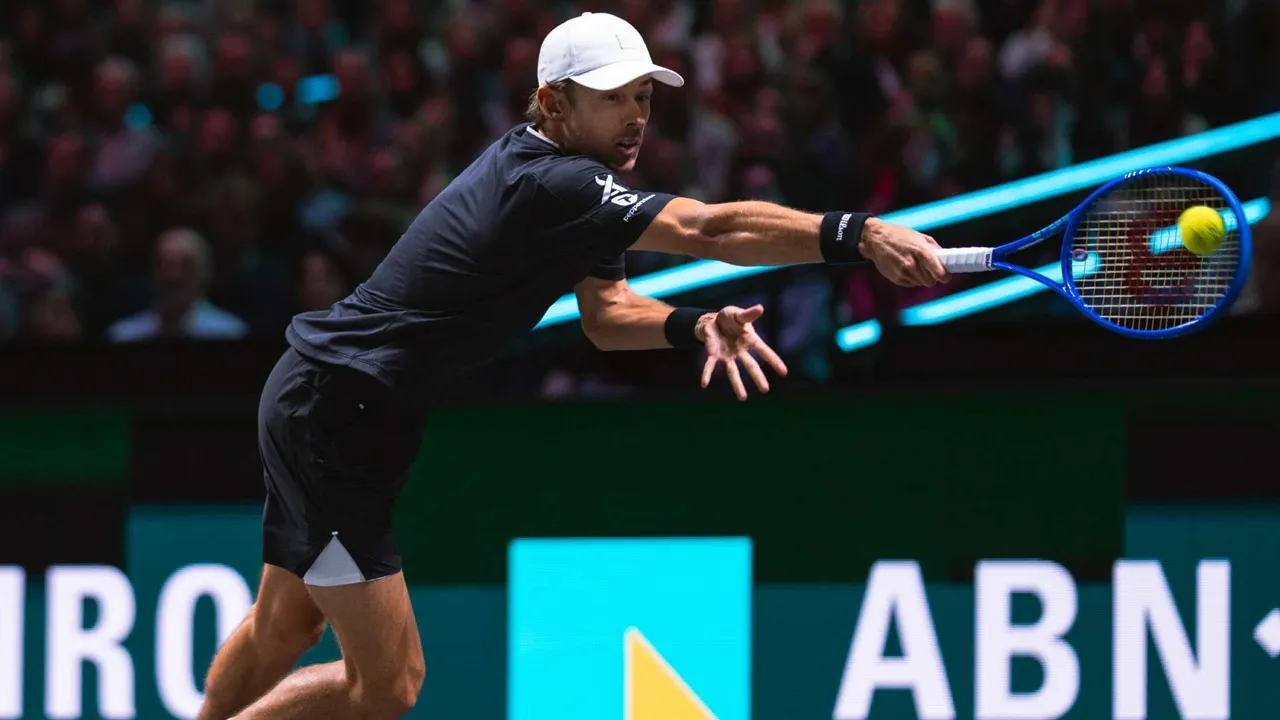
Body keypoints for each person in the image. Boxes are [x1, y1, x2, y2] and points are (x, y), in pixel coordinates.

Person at [197, 11, 950, 719]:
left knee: (285, 625)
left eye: (644, 97)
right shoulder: (557, 183)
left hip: (321, 394)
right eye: (614, 97)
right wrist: (860, 233)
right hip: (339, 416)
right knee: (389, 685)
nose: (636, 116)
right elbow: (708, 227)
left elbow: (610, 316)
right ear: (554, 102)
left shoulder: (577, 184)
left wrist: (695, 326)